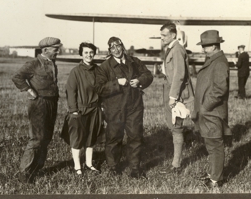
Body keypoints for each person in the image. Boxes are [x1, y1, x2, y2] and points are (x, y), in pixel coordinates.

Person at [95, 37, 153, 179]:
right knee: (114, 138)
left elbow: (148, 75)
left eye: (118, 46)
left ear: (122, 46)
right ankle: (113, 167)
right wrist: (116, 83)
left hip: (134, 107)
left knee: (135, 137)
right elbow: (99, 88)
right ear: (109, 51)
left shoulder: (134, 62)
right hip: (115, 109)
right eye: (112, 48)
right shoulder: (104, 67)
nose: (116, 50)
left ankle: (135, 169)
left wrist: (140, 80)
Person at [12, 37, 62, 183]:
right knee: (37, 138)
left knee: (46, 137)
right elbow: (17, 77)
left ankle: (37, 168)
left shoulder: (52, 63)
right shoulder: (34, 63)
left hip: (51, 103)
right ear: (45, 50)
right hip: (39, 104)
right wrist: (28, 89)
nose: (58, 52)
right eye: (55, 49)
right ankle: (24, 173)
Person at [192, 30, 231, 188]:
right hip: (209, 112)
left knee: (215, 146)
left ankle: (215, 180)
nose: (203, 49)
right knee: (211, 144)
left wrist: (205, 106)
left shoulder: (219, 62)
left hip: (212, 112)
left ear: (214, 46)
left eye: (205, 46)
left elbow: (219, 90)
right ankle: (214, 174)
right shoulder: (214, 60)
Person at [158, 22, 194, 174]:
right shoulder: (171, 48)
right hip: (173, 92)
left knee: (177, 127)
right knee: (175, 127)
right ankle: (176, 163)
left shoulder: (177, 49)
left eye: (164, 35)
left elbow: (179, 74)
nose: (162, 38)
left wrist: (173, 97)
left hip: (178, 95)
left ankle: (176, 165)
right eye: (161, 35)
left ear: (173, 35)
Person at [65, 42, 103, 176]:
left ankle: (89, 164)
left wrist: (102, 106)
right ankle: (77, 166)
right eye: (86, 52)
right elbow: (71, 91)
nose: (89, 55)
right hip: (80, 110)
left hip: (95, 110)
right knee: (77, 138)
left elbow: (103, 90)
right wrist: (73, 110)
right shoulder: (76, 71)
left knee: (91, 138)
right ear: (81, 54)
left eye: (91, 52)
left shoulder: (98, 70)